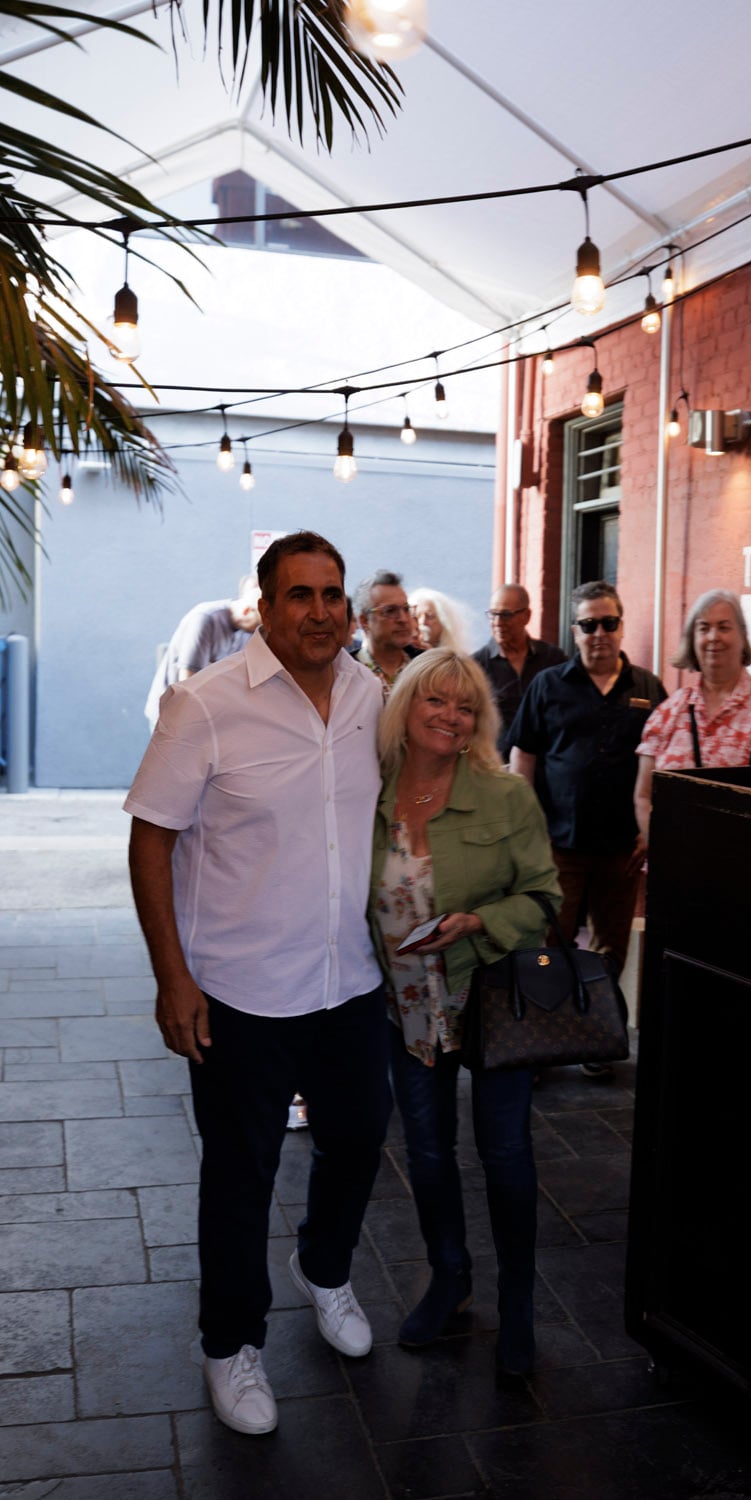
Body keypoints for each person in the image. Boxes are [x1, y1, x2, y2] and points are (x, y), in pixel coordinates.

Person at [125, 530, 391, 1437]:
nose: (320, 612)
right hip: (239, 992)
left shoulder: (370, 695)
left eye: (332, 594)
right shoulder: (204, 704)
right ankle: (230, 1342)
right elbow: (150, 841)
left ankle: (324, 1269)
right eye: (300, 595)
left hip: (348, 980)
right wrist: (172, 978)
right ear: (265, 608)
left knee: (358, 1140)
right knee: (241, 1176)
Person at [370, 648, 561, 1374]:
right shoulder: (370, 793)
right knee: (426, 1152)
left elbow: (544, 896)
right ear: (405, 707)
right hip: (406, 1007)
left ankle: (518, 1304)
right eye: (436, 700)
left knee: (505, 1153)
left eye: (466, 706)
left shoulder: (505, 795)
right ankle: (450, 1277)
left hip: (490, 998)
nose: (452, 717)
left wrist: (479, 921)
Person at [508, 581, 666, 1077]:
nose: (599, 633)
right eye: (588, 624)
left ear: (621, 626)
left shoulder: (648, 688)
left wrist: (652, 829)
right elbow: (523, 759)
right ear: (574, 631)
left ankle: (594, 1037)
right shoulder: (548, 685)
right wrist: (527, 831)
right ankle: (543, 1043)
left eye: (608, 623)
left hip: (622, 848)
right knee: (548, 947)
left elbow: (665, 764)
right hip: (557, 845)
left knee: (610, 951)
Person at [634, 588, 751, 843]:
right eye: (704, 628)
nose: (713, 637)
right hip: (674, 862)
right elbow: (644, 796)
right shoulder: (668, 712)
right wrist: (663, 847)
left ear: (742, 636)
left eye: (724, 627)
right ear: (692, 640)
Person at [143, 577, 261, 729]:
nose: (258, 631)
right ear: (246, 611)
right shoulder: (204, 619)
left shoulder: (247, 630)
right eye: (258, 625)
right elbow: (188, 683)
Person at [472, 583, 566, 747]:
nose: (498, 622)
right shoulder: (476, 666)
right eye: (493, 614)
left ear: (526, 616)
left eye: (506, 615)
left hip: (546, 757)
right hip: (496, 759)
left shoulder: (553, 659)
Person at [353, 569, 420, 699]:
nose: (403, 619)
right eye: (390, 611)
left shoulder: (426, 667)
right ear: (364, 621)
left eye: (406, 609)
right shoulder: (344, 672)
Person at [408, 587, 473, 653]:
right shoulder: (404, 654)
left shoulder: (454, 656)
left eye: (430, 616)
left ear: (443, 622)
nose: (422, 622)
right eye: (416, 616)